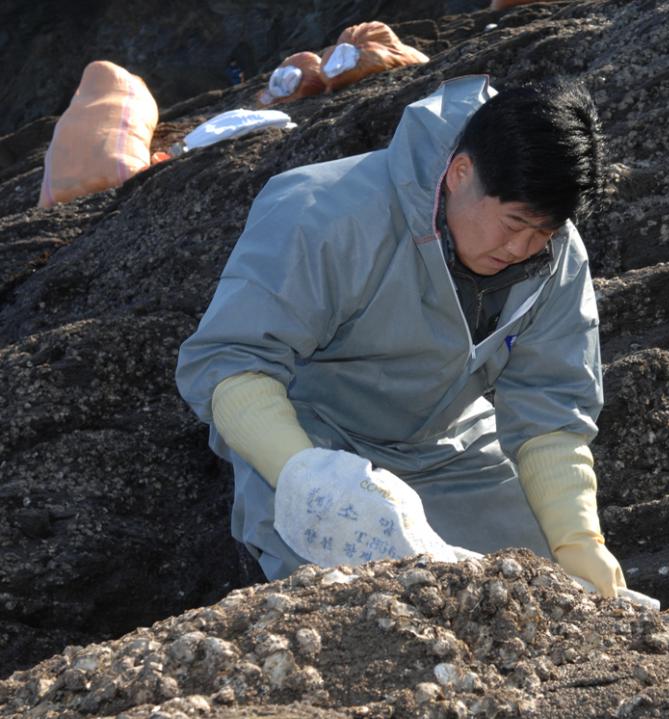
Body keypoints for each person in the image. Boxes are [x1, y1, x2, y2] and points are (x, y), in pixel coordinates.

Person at [175, 75, 629, 598]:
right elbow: (231, 362)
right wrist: (308, 477)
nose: (523, 248)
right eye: (514, 223)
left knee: (549, 588)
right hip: (310, 433)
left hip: (441, 441)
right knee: (357, 593)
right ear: (461, 172)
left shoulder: (555, 254)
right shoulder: (323, 212)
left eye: (544, 232)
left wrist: (578, 540)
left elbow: (551, 405)